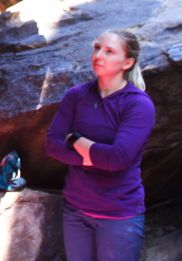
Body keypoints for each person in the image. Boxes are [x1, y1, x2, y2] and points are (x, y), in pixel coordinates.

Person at [45, 30, 156, 261]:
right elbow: (52, 145)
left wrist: (75, 140)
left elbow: (117, 159)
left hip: (119, 216)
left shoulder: (138, 105)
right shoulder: (76, 95)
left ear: (128, 62)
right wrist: (89, 157)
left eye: (109, 51)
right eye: (96, 48)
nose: (99, 55)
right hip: (76, 211)